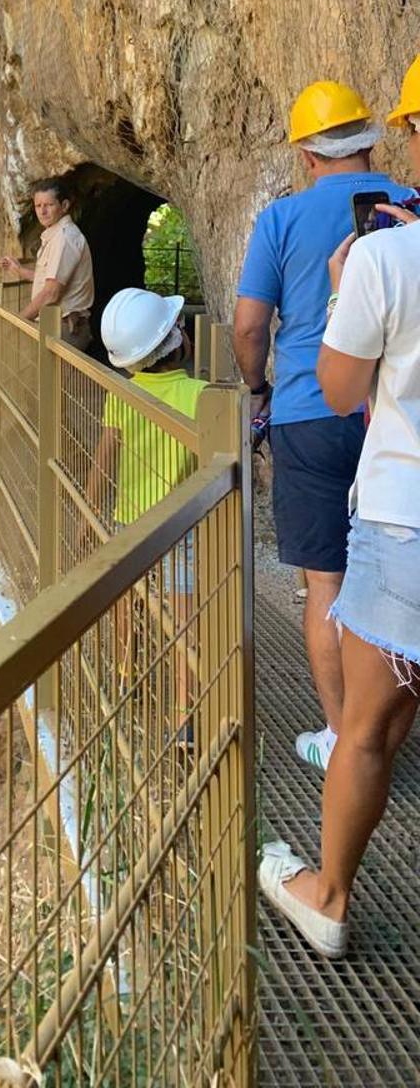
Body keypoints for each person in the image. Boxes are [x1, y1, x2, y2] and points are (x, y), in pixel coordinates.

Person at [259, 56, 420, 959]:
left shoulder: (386, 253)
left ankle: (327, 893)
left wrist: (347, 281)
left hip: (401, 512)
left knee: (365, 730)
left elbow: (337, 379)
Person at [233, 80, 412, 772]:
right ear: (371, 140)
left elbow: (251, 325)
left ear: (308, 156)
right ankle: (388, 726)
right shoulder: (410, 206)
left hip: (309, 411)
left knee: (327, 582)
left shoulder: (281, 220)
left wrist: (259, 388)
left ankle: (344, 736)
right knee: (396, 567)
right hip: (392, 412)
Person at [90, 289, 204, 728]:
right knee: (185, 622)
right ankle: (183, 717)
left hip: (131, 520)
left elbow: (104, 457)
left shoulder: (124, 394)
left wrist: (88, 513)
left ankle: (125, 678)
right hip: (183, 525)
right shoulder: (200, 394)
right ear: (177, 338)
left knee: (128, 602)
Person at [0, 178, 95, 351]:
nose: (42, 212)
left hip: (64, 329)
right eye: (38, 206)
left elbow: (51, 292)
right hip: (56, 326)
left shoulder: (64, 238)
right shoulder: (56, 235)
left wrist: (17, 321)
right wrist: (19, 270)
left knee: (54, 379)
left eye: (49, 205)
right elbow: (49, 279)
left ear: (64, 205)